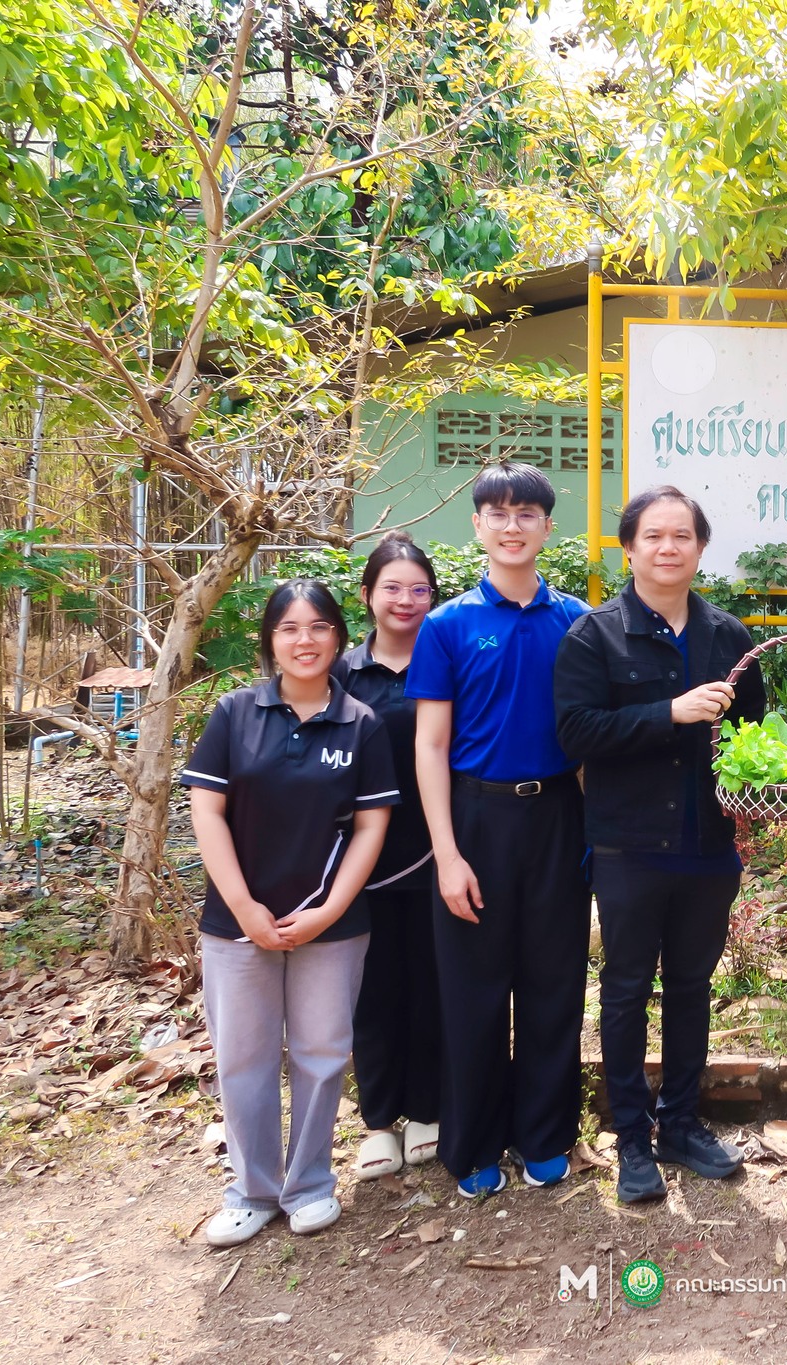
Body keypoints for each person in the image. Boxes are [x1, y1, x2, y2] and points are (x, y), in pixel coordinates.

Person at [554, 486, 768, 1204]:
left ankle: (682, 1122)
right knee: (623, 991)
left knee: (690, 988)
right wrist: (667, 713)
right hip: (629, 845)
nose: (668, 547)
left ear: (700, 548)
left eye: (682, 535)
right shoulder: (595, 634)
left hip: (707, 844)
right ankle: (631, 1140)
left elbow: (756, 734)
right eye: (654, 535)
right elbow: (576, 732)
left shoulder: (729, 637)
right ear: (630, 547)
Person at [184, 579, 399, 1246]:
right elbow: (207, 811)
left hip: (330, 925)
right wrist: (244, 904)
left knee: (321, 1052)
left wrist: (331, 907)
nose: (304, 640)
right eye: (289, 628)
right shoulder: (234, 713)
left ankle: (308, 1184)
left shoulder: (362, 723)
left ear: (338, 636)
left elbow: (371, 826)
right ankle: (251, 1190)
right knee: (243, 1057)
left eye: (318, 627)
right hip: (236, 924)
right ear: (270, 641)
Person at [410, 462, 591, 1196]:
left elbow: (591, 735)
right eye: (498, 512)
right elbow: (428, 744)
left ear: (549, 527)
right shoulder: (448, 625)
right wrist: (446, 855)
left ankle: (546, 1136)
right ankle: (476, 1143)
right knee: (474, 988)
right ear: (478, 526)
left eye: (527, 513)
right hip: (475, 817)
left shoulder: (576, 620)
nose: (512, 525)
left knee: (553, 983)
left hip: (556, 813)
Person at [337, 531, 444, 1178]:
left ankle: (430, 1108)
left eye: (419, 589)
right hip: (359, 862)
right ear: (368, 595)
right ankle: (378, 1120)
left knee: (433, 984)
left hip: (439, 855)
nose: (406, 600)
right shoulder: (340, 672)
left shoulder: (449, 657)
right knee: (371, 991)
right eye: (392, 588)